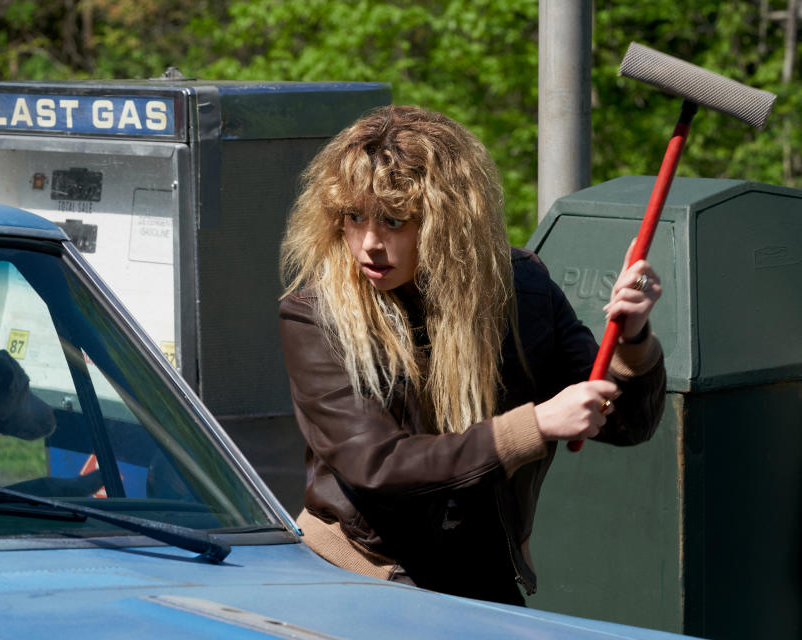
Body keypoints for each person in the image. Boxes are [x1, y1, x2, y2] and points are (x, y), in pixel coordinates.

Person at [277, 105, 666, 605]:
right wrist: (536, 425)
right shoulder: (316, 313)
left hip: (484, 570)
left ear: (450, 222)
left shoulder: (523, 288)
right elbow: (377, 465)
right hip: (364, 573)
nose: (369, 244)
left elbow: (624, 424)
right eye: (354, 217)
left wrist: (632, 338)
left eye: (395, 221)